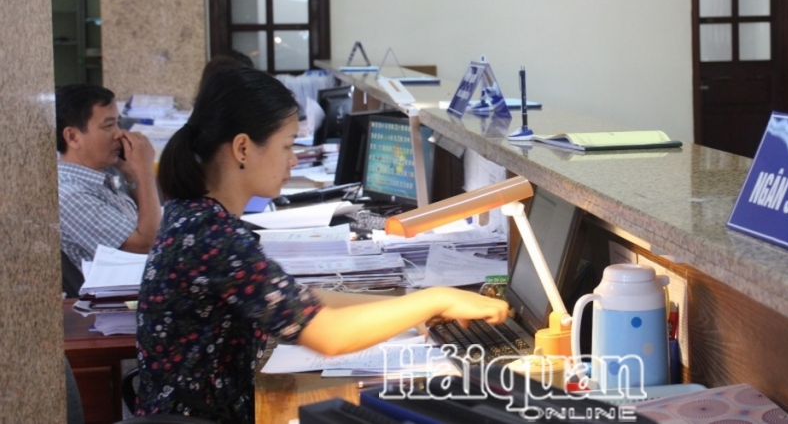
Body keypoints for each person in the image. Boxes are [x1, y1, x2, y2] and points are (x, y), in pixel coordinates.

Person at [134, 67, 508, 422]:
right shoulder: (214, 239)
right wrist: (435, 298)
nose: (293, 160)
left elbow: (304, 299)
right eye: (286, 146)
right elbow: (328, 334)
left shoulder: (196, 217)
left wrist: (411, 309)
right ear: (243, 149)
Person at [56, 84, 161, 272]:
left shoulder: (95, 181)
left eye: (118, 123)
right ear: (72, 137)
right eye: (108, 125)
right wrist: (145, 171)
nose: (119, 133)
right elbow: (147, 246)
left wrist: (132, 174)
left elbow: (146, 227)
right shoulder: (70, 195)